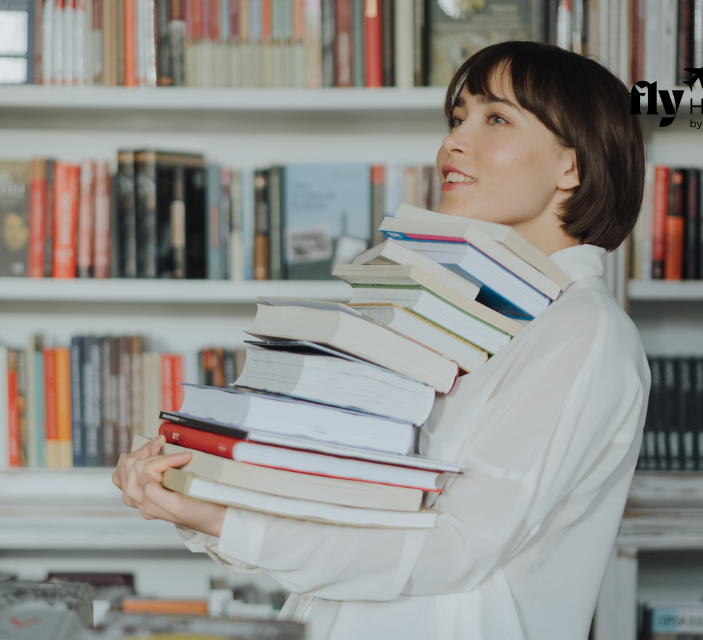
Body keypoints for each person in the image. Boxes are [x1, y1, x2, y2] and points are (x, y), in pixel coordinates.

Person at [113, 40, 650, 640]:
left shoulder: (584, 331)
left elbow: (456, 548)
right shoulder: (468, 310)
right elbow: (357, 511)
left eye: (495, 118)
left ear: (571, 168)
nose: (455, 141)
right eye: (457, 118)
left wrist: (221, 518)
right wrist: (197, 496)